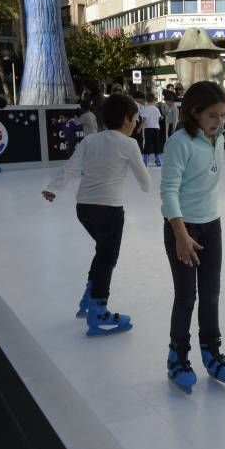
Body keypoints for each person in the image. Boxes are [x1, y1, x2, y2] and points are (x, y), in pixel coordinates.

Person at [42, 94, 152, 336]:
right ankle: (98, 310)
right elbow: (144, 179)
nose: (136, 123)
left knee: (102, 253)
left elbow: (70, 166)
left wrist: (53, 188)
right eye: (135, 118)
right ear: (126, 119)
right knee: (107, 258)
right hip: (109, 210)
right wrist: (147, 186)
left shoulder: (90, 141)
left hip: (84, 208)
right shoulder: (129, 144)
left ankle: (87, 299)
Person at [160, 81, 225, 394]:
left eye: (223, 115)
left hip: (211, 225)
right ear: (194, 113)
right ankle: (177, 356)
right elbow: (168, 191)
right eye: (213, 115)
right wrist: (180, 234)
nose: (220, 121)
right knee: (186, 295)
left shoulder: (216, 138)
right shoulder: (179, 142)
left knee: (210, 294)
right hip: (182, 228)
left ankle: (212, 351)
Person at [140, 92, 163, 167]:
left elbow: (144, 119)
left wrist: (140, 128)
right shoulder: (156, 109)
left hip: (148, 128)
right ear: (154, 100)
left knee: (148, 143)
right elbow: (160, 117)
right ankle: (158, 159)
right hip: (156, 128)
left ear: (146, 100)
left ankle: (146, 160)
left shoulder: (145, 108)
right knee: (157, 143)